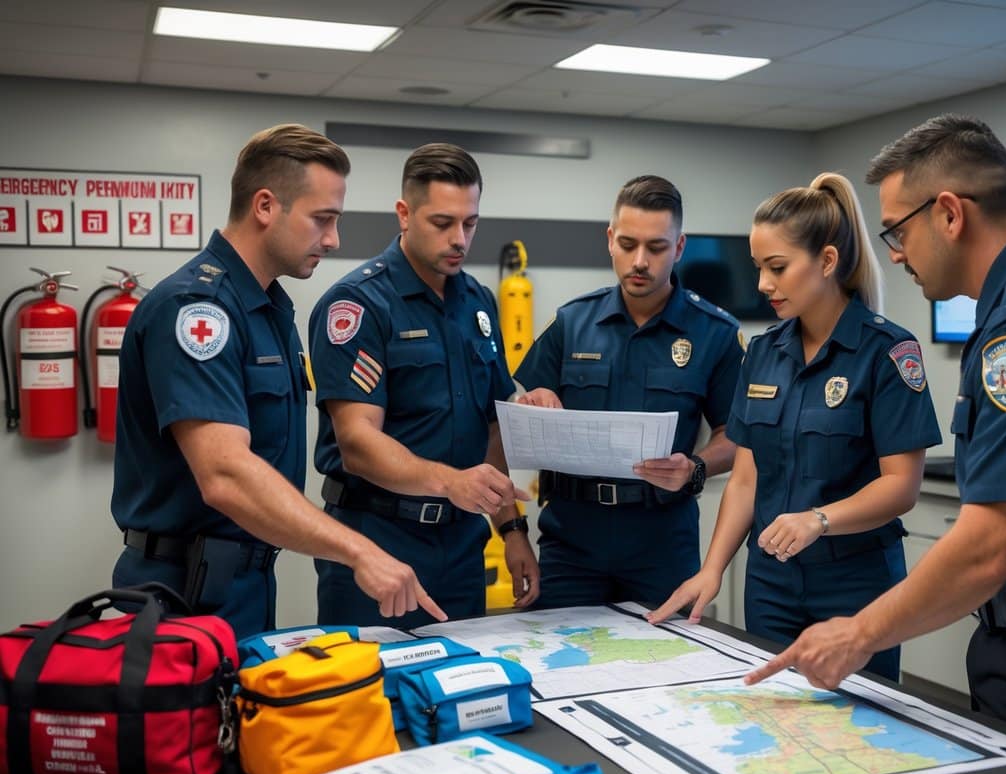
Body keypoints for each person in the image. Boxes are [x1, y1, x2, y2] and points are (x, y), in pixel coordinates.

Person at [746, 114, 1006, 768]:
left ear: (948, 213)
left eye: (896, 229)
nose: (891, 251)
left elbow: (990, 544)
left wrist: (857, 633)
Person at [111, 124, 445, 639]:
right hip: (183, 594)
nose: (333, 239)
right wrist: (358, 550)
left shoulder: (269, 310)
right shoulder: (198, 309)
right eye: (322, 219)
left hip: (243, 580)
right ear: (265, 206)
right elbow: (225, 474)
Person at [649, 173, 940, 682]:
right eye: (759, 268)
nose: (763, 284)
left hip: (855, 584)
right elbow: (745, 477)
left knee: (858, 733)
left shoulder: (888, 352)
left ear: (827, 262)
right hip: (772, 585)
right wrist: (712, 570)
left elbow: (902, 486)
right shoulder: (763, 352)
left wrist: (819, 519)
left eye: (777, 268)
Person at [308, 142, 538, 628]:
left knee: (460, 691)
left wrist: (512, 530)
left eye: (470, 223)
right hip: (377, 543)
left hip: (460, 547)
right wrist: (452, 482)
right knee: (376, 694)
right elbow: (357, 444)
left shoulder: (477, 302)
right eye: (442, 223)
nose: (459, 238)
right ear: (404, 214)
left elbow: (491, 428)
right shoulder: (358, 305)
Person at [513, 175, 744, 608]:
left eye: (656, 248)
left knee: (663, 667)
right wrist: (535, 405)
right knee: (562, 664)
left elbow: (736, 434)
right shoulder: (571, 322)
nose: (640, 261)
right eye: (628, 244)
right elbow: (526, 403)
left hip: (660, 541)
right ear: (610, 240)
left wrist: (694, 467)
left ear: (678, 248)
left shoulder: (715, 333)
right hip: (572, 539)